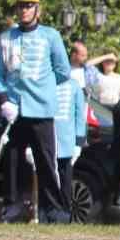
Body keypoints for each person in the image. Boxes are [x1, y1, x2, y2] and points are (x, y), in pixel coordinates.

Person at [0, 0, 72, 223]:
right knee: (14, 163)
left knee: (47, 162)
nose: (24, 10)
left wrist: (44, 89)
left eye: (28, 6)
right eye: (20, 6)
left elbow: (63, 71)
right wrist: (5, 100)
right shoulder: (7, 38)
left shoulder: (51, 36)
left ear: (38, 9)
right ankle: (13, 208)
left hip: (41, 108)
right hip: (14, 111)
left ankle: (54, 210)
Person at [51, 62, 88, 223]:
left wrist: (78, 142)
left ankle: (64, 212)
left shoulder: (74, 87)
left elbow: (80, 116)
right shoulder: (47, 84)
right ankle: (47, 211)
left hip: (66, 141)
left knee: (65, 179)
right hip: (48, 139)